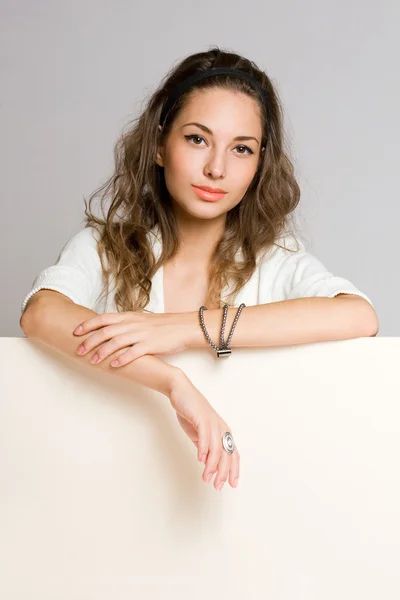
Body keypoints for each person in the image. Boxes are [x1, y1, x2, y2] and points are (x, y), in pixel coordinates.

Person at [20, 46, 379, 493]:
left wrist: (187, 329)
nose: (216, 168)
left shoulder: (273, 258)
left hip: (243, 504)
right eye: (197, 139)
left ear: (259, 165)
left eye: (242, 149)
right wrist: (172, 382)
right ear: (158, 145)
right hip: (101, 494)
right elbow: (40, 314)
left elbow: (358, 316)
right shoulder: (104, 247)